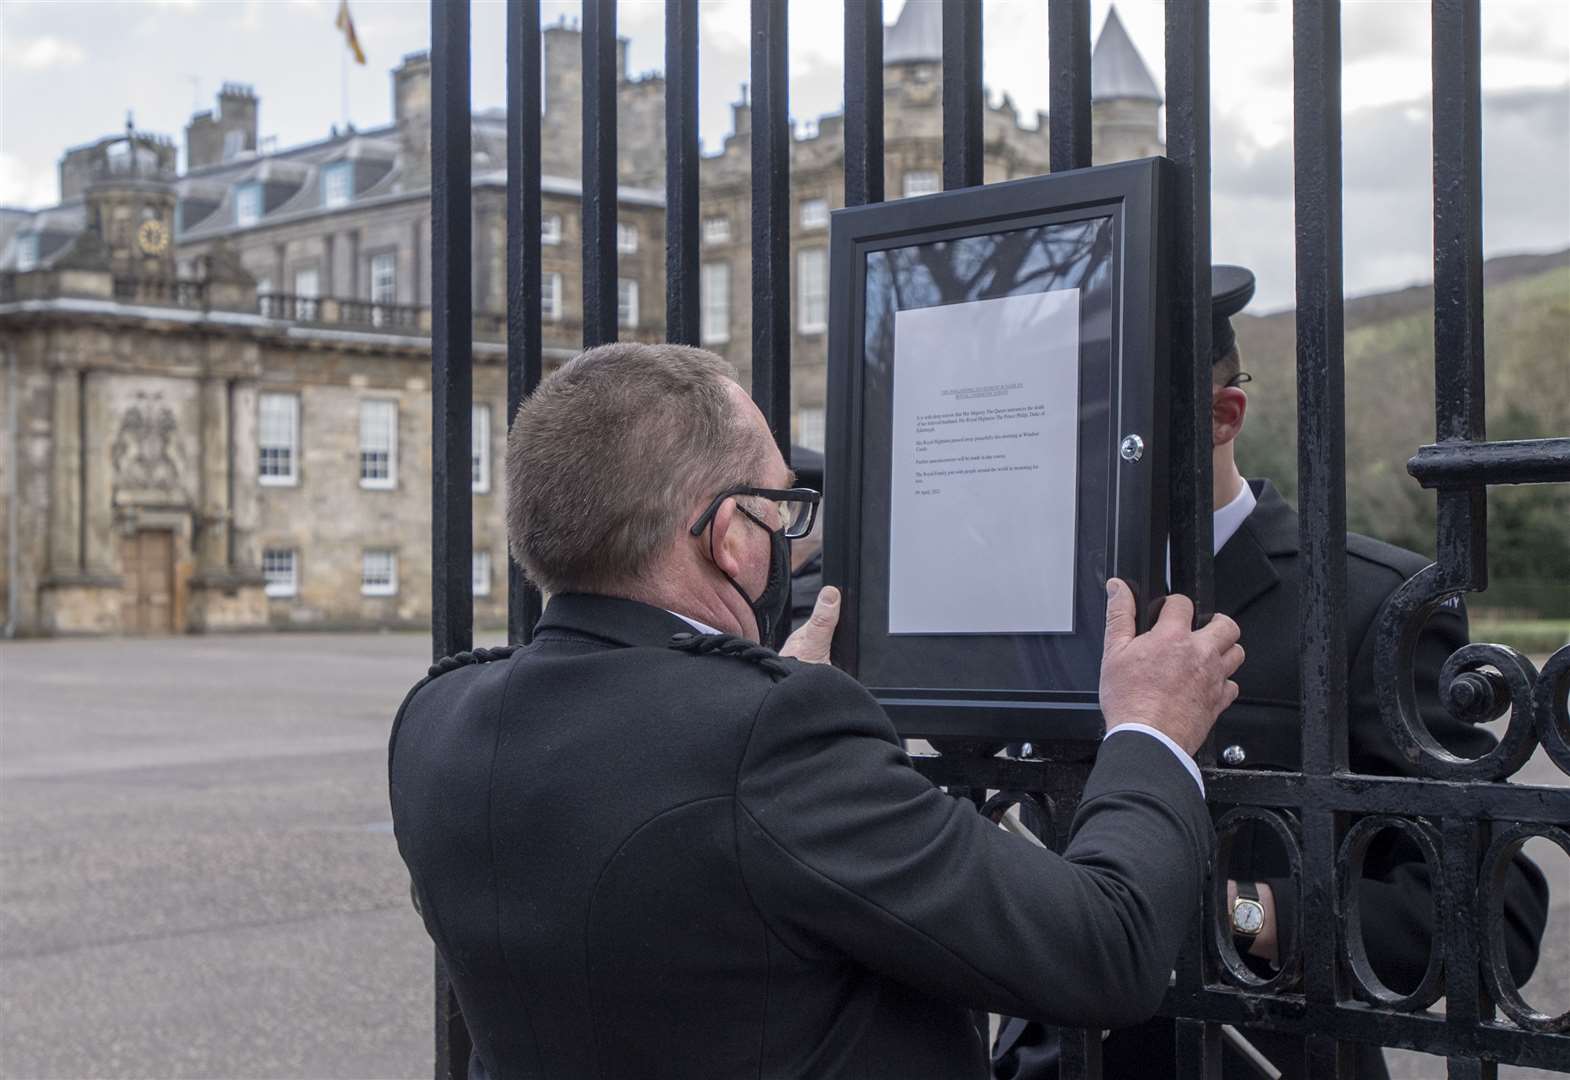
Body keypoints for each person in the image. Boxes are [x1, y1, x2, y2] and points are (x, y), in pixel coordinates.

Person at [389, 342, 1245, 1080]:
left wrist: (749, 685)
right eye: (780, 508)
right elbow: (1107, 948)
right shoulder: (770, 738)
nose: (788, 535)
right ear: (730, 536)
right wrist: (1148, 731)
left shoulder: (434, 719)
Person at [992, 267, 1550, 1080]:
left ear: (1225, 416)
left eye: (1121, 428)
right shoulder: (1042, 596)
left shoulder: (1364, 602)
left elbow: (1496, 911)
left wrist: (1239, 913)